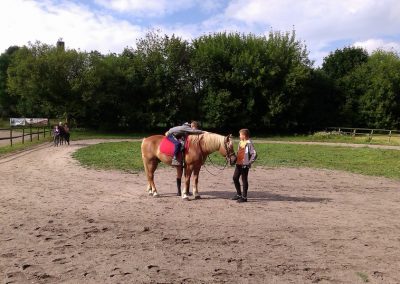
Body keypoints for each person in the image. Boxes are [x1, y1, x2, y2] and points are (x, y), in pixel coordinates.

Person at [232, 128, 257, 203]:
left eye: (240, 135)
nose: (239, 136)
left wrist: (249, 162)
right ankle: (239, 194)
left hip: (244, 165)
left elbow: (254, 154)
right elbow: (239, 152)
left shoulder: (249, 143)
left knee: (244, 180)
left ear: (244, 135)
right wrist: (235, 158)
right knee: (235, 178)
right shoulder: (240, 142)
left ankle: (244, 197)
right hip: (238, 163)